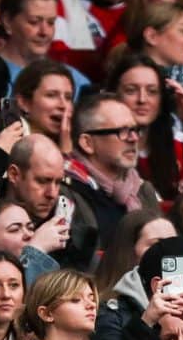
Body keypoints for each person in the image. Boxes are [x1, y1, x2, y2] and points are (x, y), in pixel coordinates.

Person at [66, 94, 161, 249]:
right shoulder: (66, 190)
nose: (133, 138)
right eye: (122, 131)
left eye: (135, 130)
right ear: (87, 143)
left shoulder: (143, 190)